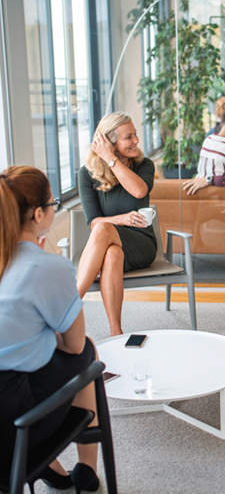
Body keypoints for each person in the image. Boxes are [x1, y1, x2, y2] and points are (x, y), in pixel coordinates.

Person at [0, 166, 100, 492]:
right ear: (40, 214)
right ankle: (86, 467)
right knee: (87, 350)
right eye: (54, 202)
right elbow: (73, 346)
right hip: (13, 430)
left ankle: (55, 472)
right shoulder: (46, 266)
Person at [78, 112, 157, 337]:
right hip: (109, 245)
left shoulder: (144, 165)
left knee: (104, 230)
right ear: (110, 143)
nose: (136, 141)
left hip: (141, 242)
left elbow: (139, 191)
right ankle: (116, 331)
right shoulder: (87, 174)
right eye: (128, 137)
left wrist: (112, 160)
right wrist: (120, 219)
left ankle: (72, 303)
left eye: (135, 135)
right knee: (112, 253)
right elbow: (93, 221)